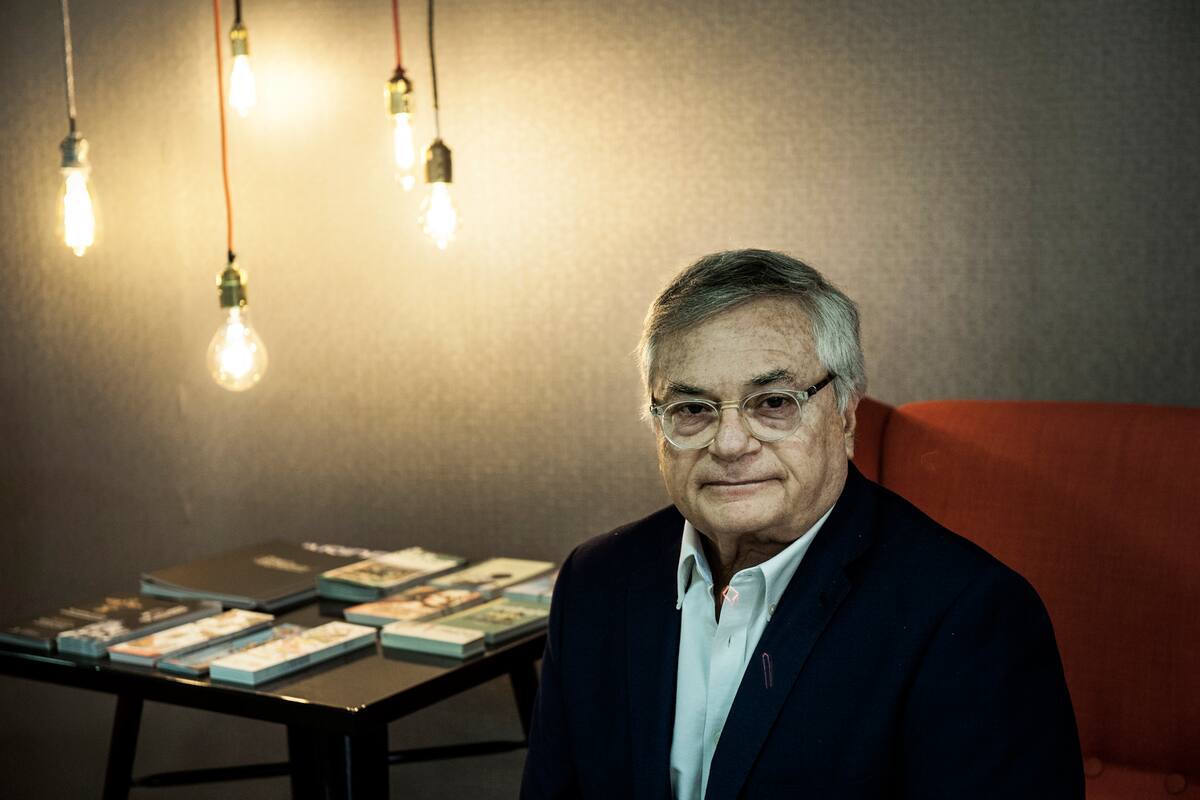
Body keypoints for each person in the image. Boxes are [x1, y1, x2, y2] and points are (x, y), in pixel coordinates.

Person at [520, 249, 1083, 799]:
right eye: (692, 409)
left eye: (773, 402)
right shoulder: (596, 580)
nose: (731, 444)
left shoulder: (970, 615)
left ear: (844, 414)